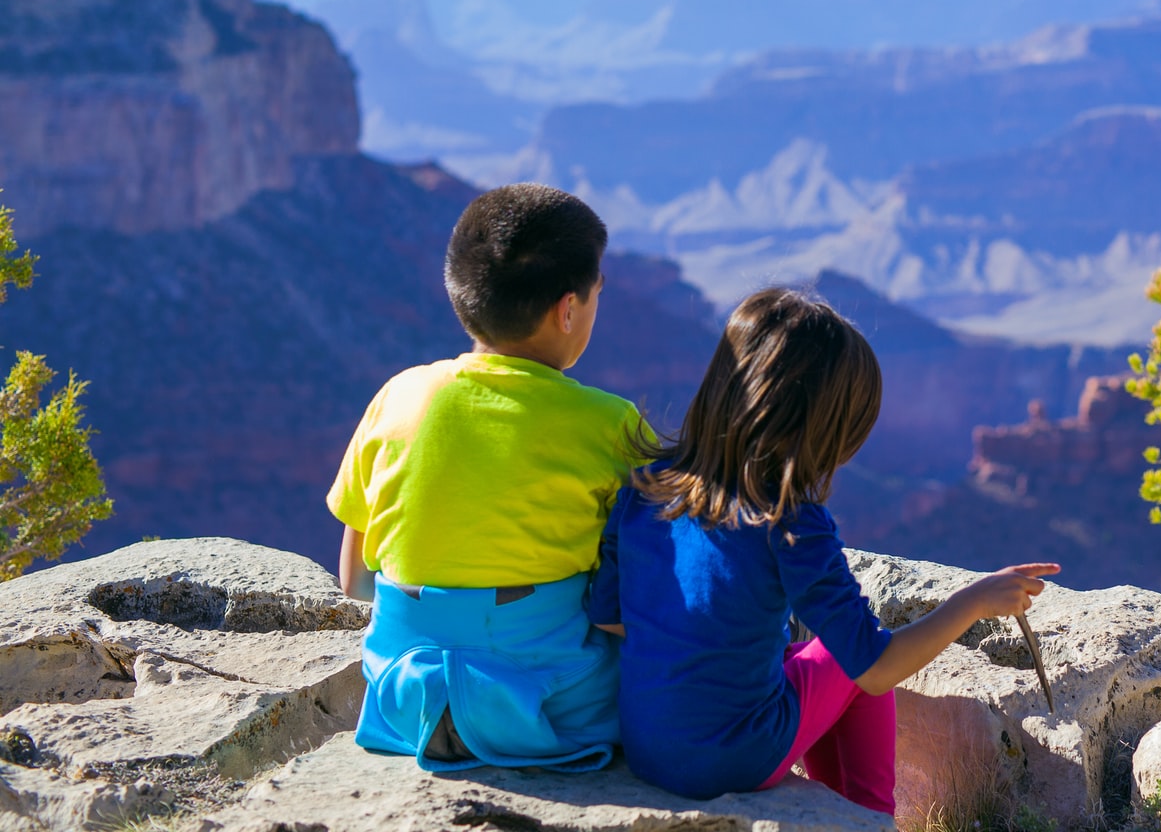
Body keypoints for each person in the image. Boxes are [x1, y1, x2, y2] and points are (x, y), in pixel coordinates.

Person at [590, 287, 1057, 815]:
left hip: (647, 747)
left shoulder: (646, 487)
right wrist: (974, 600)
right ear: (821, 425)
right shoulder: (788, 520)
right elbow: (875, 667)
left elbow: (611, 620)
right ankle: (870, 817)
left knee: (799, 655)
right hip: (734, 759)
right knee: (848, 651)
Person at [327, 183, 648, 771]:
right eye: (597, 294)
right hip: (556, 711)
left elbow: (353, 577)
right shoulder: (612, 424)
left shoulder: (398, 396)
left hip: (407, 702)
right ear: (568, 308)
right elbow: (641, 593)